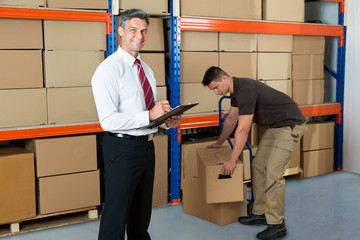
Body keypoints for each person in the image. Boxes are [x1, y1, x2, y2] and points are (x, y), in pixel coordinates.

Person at [91, 9, 181, 240]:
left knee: (141, 216)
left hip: (146, 147)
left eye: (143, 31)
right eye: (133, 29)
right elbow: (108, 120)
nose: (139, 36)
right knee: (116, 215)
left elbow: (146, 114)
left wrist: (165, 121)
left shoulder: (146, 70)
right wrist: (149, 115)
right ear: (120, 31)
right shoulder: (108, 70)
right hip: (122, 149)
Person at [202, 66, 305, 240]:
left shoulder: (245, 90)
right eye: (213, 90)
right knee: (258, 165)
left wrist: (232, 160)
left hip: (290, 126)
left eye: (216, 88)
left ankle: (277, 224)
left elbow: (243, 129)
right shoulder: (236, 92)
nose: (216, 92)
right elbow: (231, 119)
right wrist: (219, 143)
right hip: (276, 127)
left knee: (273, 172)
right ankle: (260, 212)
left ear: (225, 79)